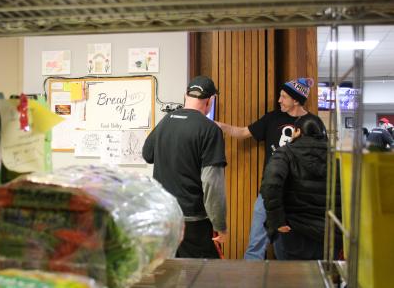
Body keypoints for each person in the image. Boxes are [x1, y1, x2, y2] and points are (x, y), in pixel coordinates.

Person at [217, 77, 326, 260]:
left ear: (296, 100)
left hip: (298, 197)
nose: (279, 100)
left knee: (288, 248)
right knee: (255, 245)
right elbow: (243, 132)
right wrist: (219, 126)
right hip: (269, 192)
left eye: (283, 97)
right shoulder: (273, 118)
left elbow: (322, 157)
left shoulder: (313, 123)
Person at [142, 75, 227, 258]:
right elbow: (212, 183)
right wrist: (219, 225)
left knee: (167, 273)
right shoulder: (209, 129)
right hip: (193, 220)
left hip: (165, 215)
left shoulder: (166, 121)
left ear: (185, 96)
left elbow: (147, 155)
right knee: (201, 276)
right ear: (210, 100)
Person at [260, 115, 341, 260]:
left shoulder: (285, 153)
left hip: (294, 232)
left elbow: (270, 185)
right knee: (322, 280)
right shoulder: (337, 156)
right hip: (330, 235)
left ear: (297, 132)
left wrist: (277, 221)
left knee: (291, 280)